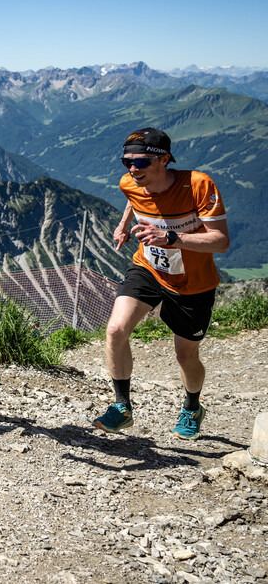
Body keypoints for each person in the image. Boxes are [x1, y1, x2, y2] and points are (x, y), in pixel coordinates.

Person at [93, 128, 229, 440]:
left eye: (140, 162)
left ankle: (193, 406)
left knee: (185, 356)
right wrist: (123, 225)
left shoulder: (198, 185)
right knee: (115, 330)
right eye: (126, 161)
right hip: (148, 269)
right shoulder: (129, 182)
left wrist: (171, 237)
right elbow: (133, 198)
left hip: (192, 283)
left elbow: (221, 242)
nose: (131, 169)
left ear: (163, 160)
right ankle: (122, 406)